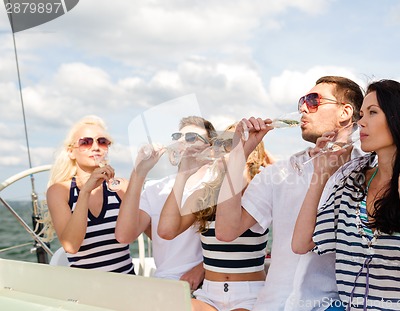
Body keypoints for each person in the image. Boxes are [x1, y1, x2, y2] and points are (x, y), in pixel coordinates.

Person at [292, 79, 400, 310]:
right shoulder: (351, 180)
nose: (360, 122)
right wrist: (321, 176)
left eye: (372, 113)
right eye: (362, 113)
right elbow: (301, 243)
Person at [215, 76, 365, 311]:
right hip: (273, 305)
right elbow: (226, 230)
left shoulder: (368, 172)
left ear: (345, 112)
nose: (304, 108)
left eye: (314, 101)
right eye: (302, 102)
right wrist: (239, 155)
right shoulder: (280, 173)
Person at [157, 128, 272, 311]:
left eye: (229, 144)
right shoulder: (205, 195)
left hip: (250, 295)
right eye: (218, 143)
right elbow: (166, 231)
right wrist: (183, 174)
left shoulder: (259, 192)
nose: (218, 149)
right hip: (210, 293)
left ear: (249, 152)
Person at [115, 116, 217, 289]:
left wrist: (203, 268)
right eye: (178, 137)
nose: (183, 142)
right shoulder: (156, 188)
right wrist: (139, 173)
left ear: (210, 149)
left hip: (208, 284)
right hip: (165, 284)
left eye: (192, 138)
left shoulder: (216, 186)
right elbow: (124, 236)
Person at [46, 115, 134, 273]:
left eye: (102, 141)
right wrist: (85, 191)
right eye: (85, 142)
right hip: (87, 290)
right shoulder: (59, 191)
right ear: (71, 152)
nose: (95, 147)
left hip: (127, 283)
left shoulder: (121, 187)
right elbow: (71, 245)